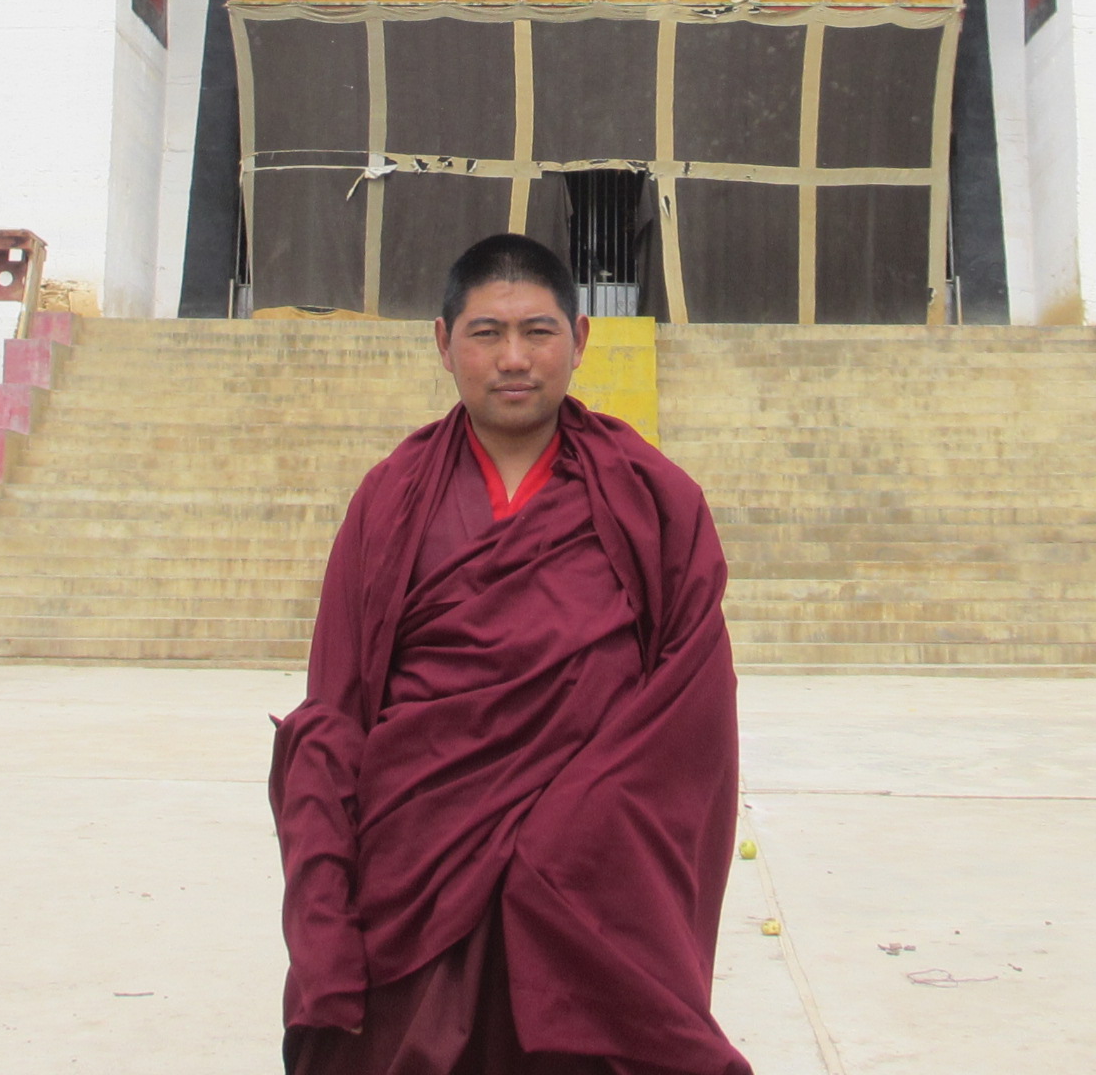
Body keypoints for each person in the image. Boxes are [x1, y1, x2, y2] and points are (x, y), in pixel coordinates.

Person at [270, 233, 746, 1075]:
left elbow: (692, 713)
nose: (514, 358)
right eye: (486, 334)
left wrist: (567, 830)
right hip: (416, 865)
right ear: (443, 343)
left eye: (539, 331)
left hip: (585, 880)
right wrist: (321, 902)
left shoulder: (654, 499)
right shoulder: (391, 498)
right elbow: (336, 704)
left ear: (583, 339)